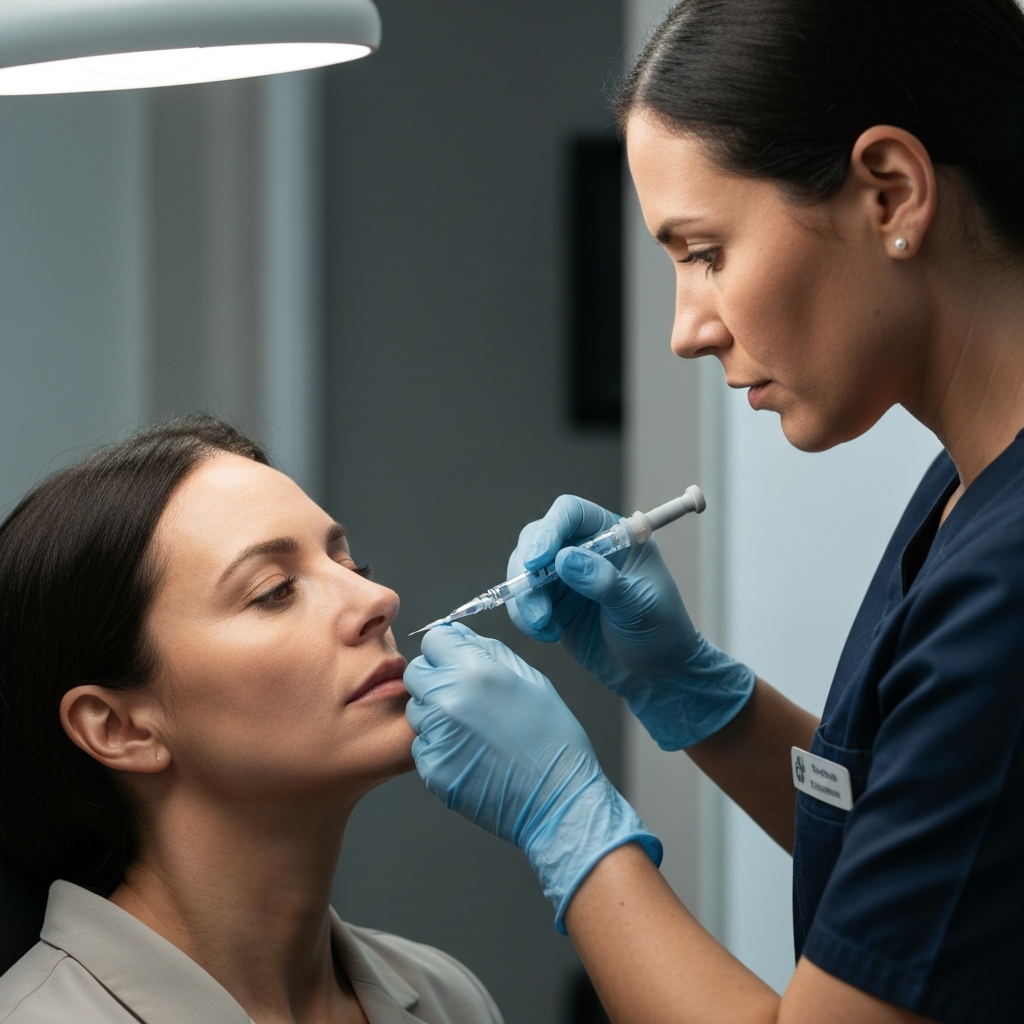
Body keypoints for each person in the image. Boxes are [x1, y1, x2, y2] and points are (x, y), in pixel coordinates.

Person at [402, 1, 1024, 1022]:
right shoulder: (965, 487)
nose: (687, 330)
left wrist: (569, 824)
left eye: (703, 251)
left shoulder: (1005, 583)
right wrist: (699, 698)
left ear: (890, 191)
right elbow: (929, 869)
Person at [0, 415, 503, 1024]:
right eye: (274, 590)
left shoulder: (448, 998)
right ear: (119, 728)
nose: (378, 600)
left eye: (350, 565)